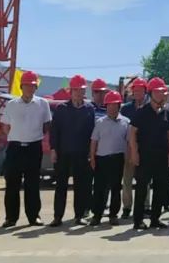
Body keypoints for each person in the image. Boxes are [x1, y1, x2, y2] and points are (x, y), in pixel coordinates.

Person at [0, 70, 52, 228]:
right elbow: (5, 127)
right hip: (15, 148)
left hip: (33, 147)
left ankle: (34, 216)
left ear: (36, 87)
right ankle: (11, 218)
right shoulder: (12, 104)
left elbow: (47, 125)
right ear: (21, 86)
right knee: (12, 184)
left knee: (33, 184)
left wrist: (32, 135)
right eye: (27, 85)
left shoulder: (43, 104)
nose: (30, 88)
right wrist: (18, 135)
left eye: (33, 86)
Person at [50, 75, 96, 227]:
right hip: (63, 153)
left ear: (84, 91)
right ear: (71, 91)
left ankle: (79, 215)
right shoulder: (61, 109)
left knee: (80, 186)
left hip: (81, 153)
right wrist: (53, 149)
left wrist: (91, 152)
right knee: (61, 186)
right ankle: (58, 216)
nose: (78, 93)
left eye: (81, 90)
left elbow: (92, 132)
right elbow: (54, 131)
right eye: (75, 90)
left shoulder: (89, 109)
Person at [129, 77, 169, 230]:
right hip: (144, 156)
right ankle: (138, 220)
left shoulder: (166, 112)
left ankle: (155, 219)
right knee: (142, 188)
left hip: (161, 156)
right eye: (157, 92)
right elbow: (132, 133)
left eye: (162, 92)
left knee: (160, 188)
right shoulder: (142, 112)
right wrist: (134, 153)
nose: (160, 94)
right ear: (150, 93)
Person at [89, 90, 129, 226]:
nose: (112, 108)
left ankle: (113, 215)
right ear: (106, 106)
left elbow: (129, 142)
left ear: (119, 106)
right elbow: (94, 141)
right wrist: (92, 157)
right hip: (101, 158)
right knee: (99, 188)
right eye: (109, 105)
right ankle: (97, 215)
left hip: (118, 158)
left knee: (116, 188)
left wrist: (128, 158)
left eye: (115, 105)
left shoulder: (126, 122)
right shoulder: (100, 122)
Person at [119, 77, 149, 219]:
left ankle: (145, 206)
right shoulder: (125, 109)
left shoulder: (150, 108)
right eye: (135, 90)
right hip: (128, 148)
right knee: (127, 180)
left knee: (144, 180)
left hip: (145, 149)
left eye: (140, 90)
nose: (137, 93)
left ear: (145, 91)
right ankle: (127, 207)